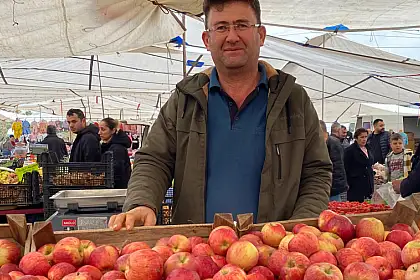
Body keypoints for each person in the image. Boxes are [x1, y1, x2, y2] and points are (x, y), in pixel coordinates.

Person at [109, 0, 331, 229]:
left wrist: (300, 226)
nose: (232, 37)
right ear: (207, 39)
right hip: (197, 251)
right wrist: (142, 202)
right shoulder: (185, 99)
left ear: (261, 35)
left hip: (274, 253)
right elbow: (154, 159)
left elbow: (317, 171)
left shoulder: (293, 100)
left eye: (242, 25)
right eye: (222, 27)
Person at [98, 118, 132, 189]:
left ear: (113, 130)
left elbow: (116, 173)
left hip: (117, 191)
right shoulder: (108, 146)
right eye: (99, 129)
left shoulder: (117, 149)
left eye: (103, 129)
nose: (99, 132)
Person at [344, 128, 374, 202]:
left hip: (368, 183)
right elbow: (345, 167)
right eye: (361, 137)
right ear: (356, 138)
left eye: (365, 137)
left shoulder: (369, 148)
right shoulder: (349, 150)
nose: (364, 139)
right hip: (355, 184)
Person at [327, 122, 348, 201]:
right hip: (335, 184)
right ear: (338, 130)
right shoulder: (335, 142)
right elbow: (338, 165)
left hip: (331, 182)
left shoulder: (330, 140)